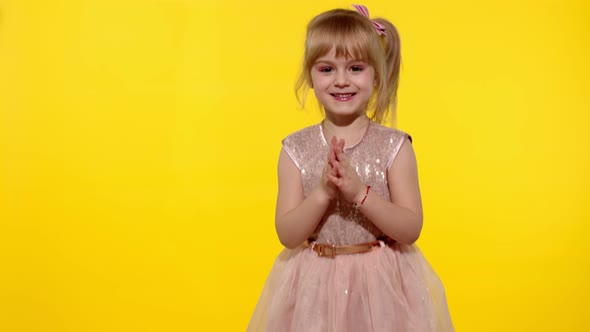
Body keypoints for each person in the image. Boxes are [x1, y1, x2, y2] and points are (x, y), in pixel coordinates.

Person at [248, 5, 454, 331]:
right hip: (313, 290)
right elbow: (288, 235)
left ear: (376, 75)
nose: (341, 81)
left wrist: (360, 193)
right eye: (326, 69)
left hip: (382, 289)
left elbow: (410, 227)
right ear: (310, 77)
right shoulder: (295, 150)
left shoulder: (394, 147)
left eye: (355, 68)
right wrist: (323, 192)